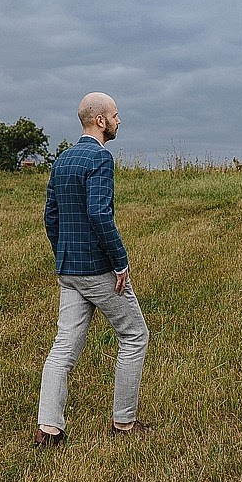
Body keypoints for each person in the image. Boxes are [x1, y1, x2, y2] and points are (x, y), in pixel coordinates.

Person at [36, 92, 152, 445]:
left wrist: (63, 254)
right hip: (97, 269)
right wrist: (120, 262)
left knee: (63, 346)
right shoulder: (100, 158)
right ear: (100, 121)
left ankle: (49, 429)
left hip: (68, 268)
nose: (119, 121)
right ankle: (124, 424)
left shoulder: (63, 159)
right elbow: (100, 213)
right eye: (115, 115)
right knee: (135, 335)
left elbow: (50, 216)